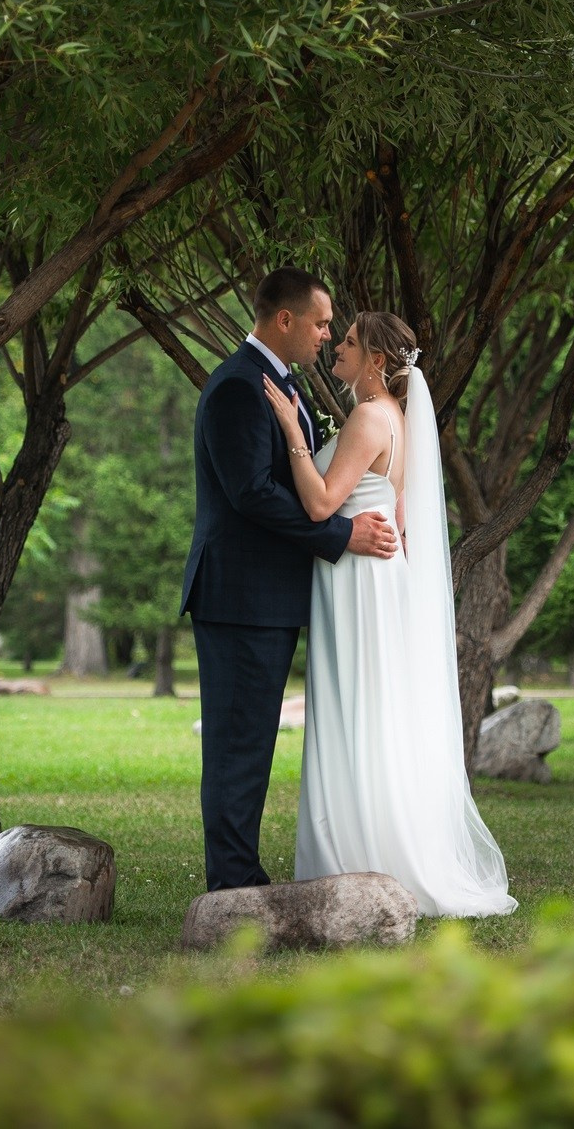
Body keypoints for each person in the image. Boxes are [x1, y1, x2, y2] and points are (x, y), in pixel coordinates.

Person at [263, 310, 516, 918]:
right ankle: (367, 851)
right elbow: (398, 521)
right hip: (374, 579)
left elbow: (323, 502)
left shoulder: (369, 416)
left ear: (378, 361)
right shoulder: (397, 420)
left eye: (349, 343)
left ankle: (353, 857)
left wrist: (292, 432)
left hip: (355, 583)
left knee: (356, 711)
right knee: (370, 713)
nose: (338, 349)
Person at [181, 268, 399, 892]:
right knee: (237, 744)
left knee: (251, 742)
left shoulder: (281, 384)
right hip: (239, 595)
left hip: (267, 597)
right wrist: (341, 537)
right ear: (285, 320)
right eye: (323, 323)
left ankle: (239, 873)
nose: (329, 336)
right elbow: (251, 494)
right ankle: (232, 883)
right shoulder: (238, 388)